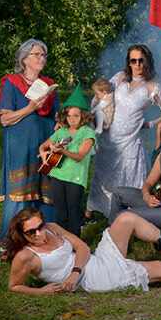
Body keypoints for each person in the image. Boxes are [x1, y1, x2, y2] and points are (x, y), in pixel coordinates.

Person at [3, 207, 161, 295]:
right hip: (94, 279)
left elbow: (83, 247)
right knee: (158, 268)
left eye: (39, 227)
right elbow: (14, 285)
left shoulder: (53, 229)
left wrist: (75, 269)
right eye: (30, 232)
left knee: (125, 218)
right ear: (22, 235)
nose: (38, 234)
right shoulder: (26, 256)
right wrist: (41, 291)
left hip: (91, 262)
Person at [84, 44, 161, 224]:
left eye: (140, 60)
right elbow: (101, 96)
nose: (137, 64)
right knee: (100, 177)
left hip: (130, 142)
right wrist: (98, 115)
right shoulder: (119, 78)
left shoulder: (153, 87)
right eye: (133, 60)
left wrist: (149, 125)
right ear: (128, 62)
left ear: (147, 61)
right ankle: (88, 217)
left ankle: (130, 218)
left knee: (129, 178)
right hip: (108, 139)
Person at [0, 38, 59, 245]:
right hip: (20, 145)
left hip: (46, 145)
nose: (42, 58)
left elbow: (56, 115)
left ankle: (47, 240)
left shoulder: (49, 84)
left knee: (46, 193)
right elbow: (5, 119)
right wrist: (30, 108)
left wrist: (60, 125)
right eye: (37, 54)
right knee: (19, 195)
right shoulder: (11, 83)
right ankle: (10, 244)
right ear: (24, 59)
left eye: (44, 55)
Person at [38, 84, 96, 237]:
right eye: (69, 116)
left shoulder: (87, 133)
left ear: (83, 116)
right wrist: (44, 154)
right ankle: (62, 243)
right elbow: (43, 146)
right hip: (57, 176)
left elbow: (80, 156)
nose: (72, 119)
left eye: (76, 116)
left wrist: (63, 151)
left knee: (74, 215)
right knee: (60, 215)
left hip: (75, 178)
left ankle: (76, 246)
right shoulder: (62, 131)